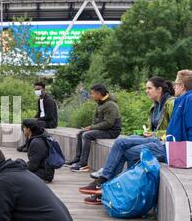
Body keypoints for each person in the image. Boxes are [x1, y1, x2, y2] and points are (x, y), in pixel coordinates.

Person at [79, 75, 185, 205]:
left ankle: (103, 182)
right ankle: (109, 189)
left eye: (149, 88)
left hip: (163, 143)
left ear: (159, 90)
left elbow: (175, 130)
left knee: (121, 143)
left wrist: (155, 133)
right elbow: (153, 128)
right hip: (153, 139)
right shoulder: (154, 106)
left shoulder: (171, 103)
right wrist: (146, 132)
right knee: (127, 146)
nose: (147, 91)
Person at [66, 84, 121, 172]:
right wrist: (90, 127)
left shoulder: (110, 105)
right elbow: (98, 121)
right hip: (104, 129)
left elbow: (108, 123)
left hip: (111, 131)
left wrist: (91, 128)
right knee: (81, 133)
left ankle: (83, 163)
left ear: (99, 94)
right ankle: (77, 158)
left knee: (87, 135)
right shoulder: (102, 103)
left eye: (92, 94)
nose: (91, 96)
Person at [17, 82, 58, 152]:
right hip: (42, 120)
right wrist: (33, 118)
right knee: (24, 123)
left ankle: (28, 145)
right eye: (35, 90)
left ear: (44, 90)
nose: (37, 91)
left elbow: (49, 116)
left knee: (32, 125)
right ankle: (27, 143)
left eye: (38, 89)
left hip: (50, 122)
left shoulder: (49, 100)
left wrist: (37, 119)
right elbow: (39, 112)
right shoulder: (39, 100)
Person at [21, 119, 55, 183]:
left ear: (28, 129)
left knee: (15, 174)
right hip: (43, 171)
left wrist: (20, 169)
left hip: (43, 174)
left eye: (24, 128)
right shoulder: (38, 138)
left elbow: (33, 166)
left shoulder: (36, 143)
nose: (23, 130)